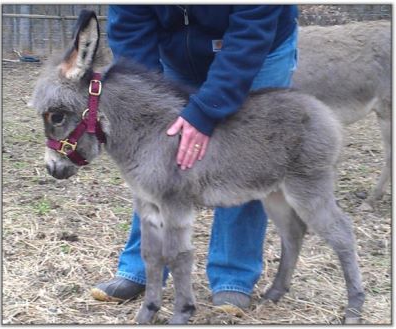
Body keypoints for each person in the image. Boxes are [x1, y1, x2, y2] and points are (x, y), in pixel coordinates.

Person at [91, 5, 299, 310]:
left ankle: (233, 276)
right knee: (158, 158)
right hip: (179, 49)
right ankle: (143, 268)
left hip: (257, 49)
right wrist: (147, 104)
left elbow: (251, 27)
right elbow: (130, 31)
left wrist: (205, 111)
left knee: (245, 155)